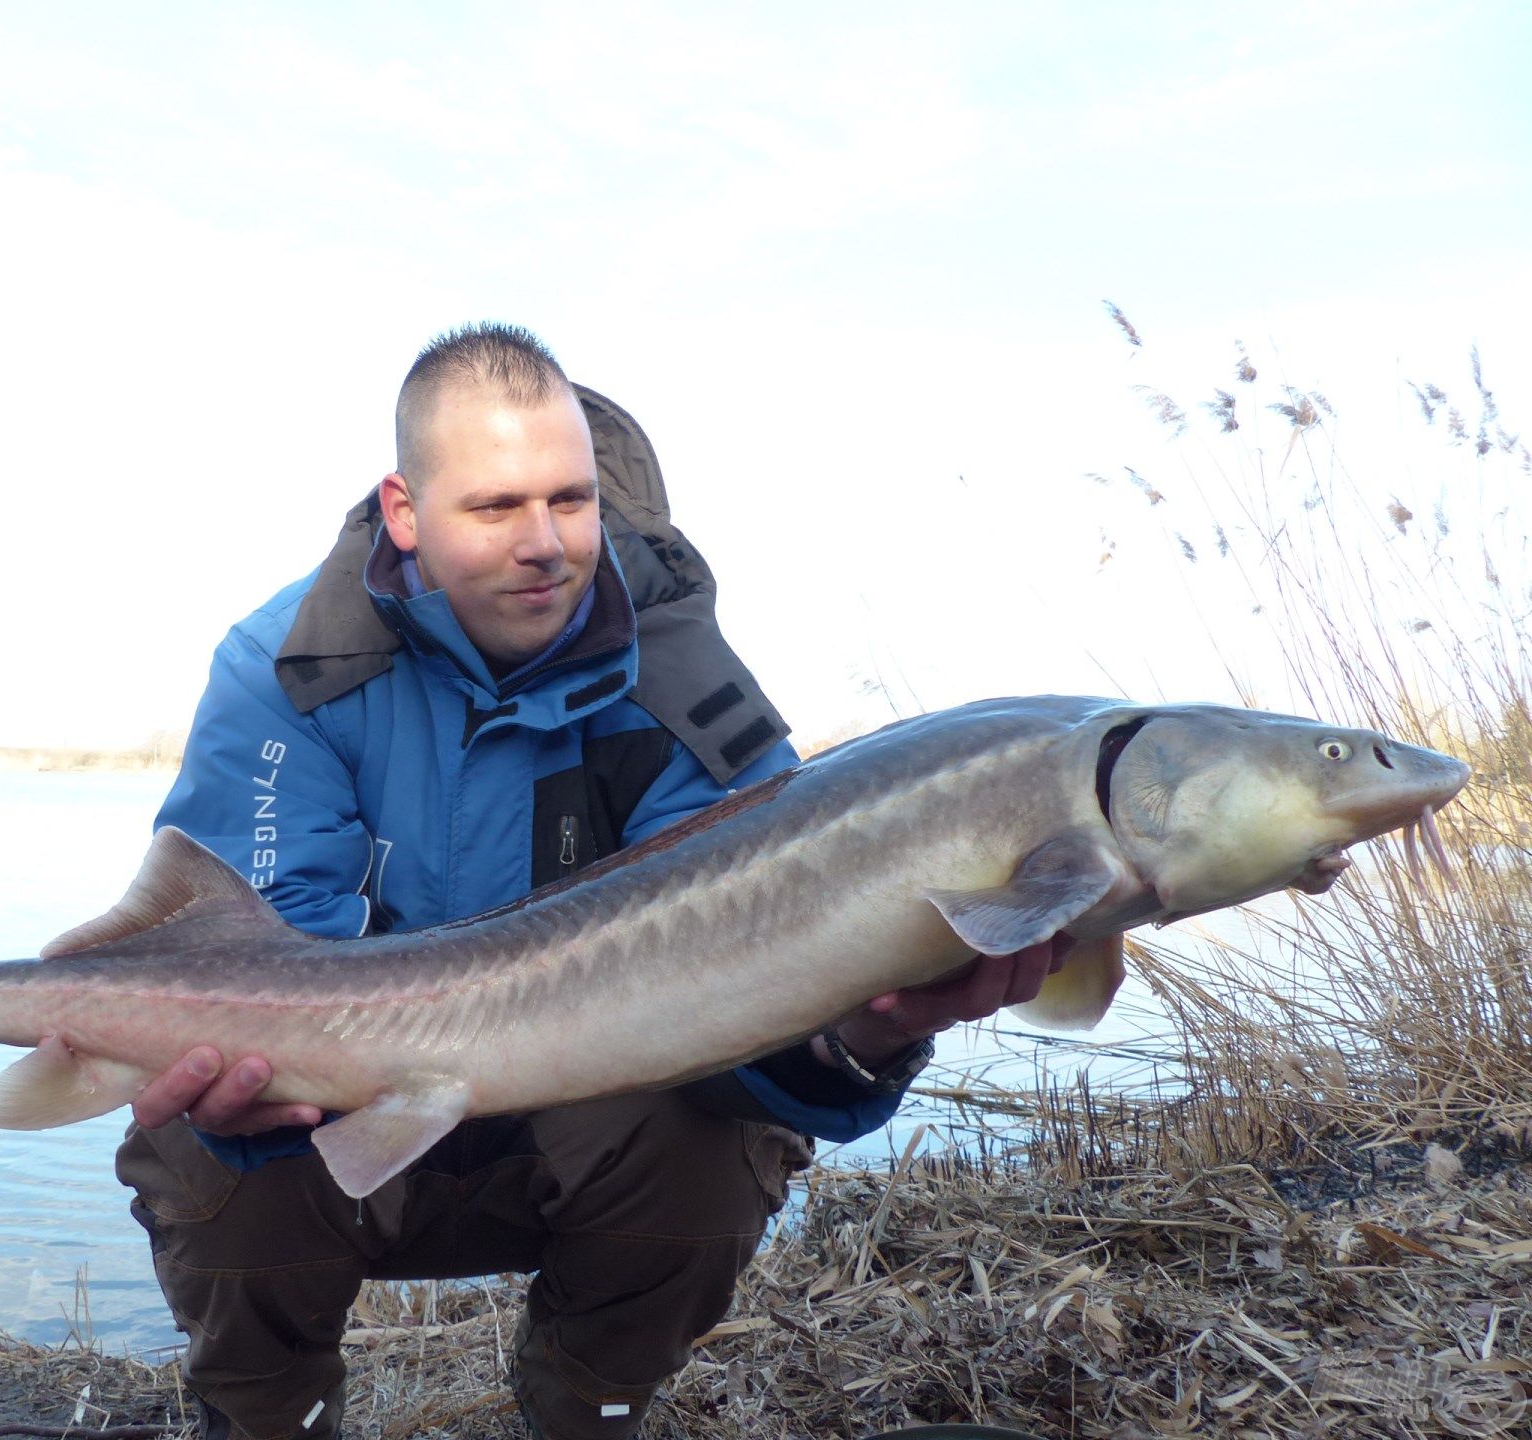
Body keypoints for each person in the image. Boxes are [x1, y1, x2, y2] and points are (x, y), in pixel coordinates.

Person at [115, 323, 1068, 1440]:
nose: (545, 545)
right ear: (406, 510)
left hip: (567, 1125)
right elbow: (261, 944)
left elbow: (747, 1001)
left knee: (716, 1144)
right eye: (495, 507)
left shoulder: (689, 690)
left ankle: (590, 1411)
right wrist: (259, 1095)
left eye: (570, 502)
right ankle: (269, 1420)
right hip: (349, 1108)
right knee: (201, 1117)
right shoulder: (285, 665)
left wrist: (864, 1035)